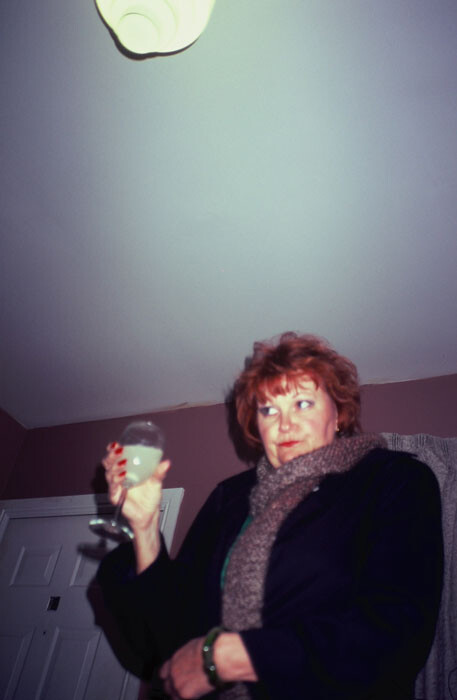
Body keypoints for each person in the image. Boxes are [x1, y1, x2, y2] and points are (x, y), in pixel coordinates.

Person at [98, 332, 443, 700]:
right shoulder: (229, 498)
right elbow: (165, 646)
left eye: (303, 403)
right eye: (268, 409)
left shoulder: (393, 480)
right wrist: (145, 528)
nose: (284, 424)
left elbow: (398, 628)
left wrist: (238, 657)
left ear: (339, 414)